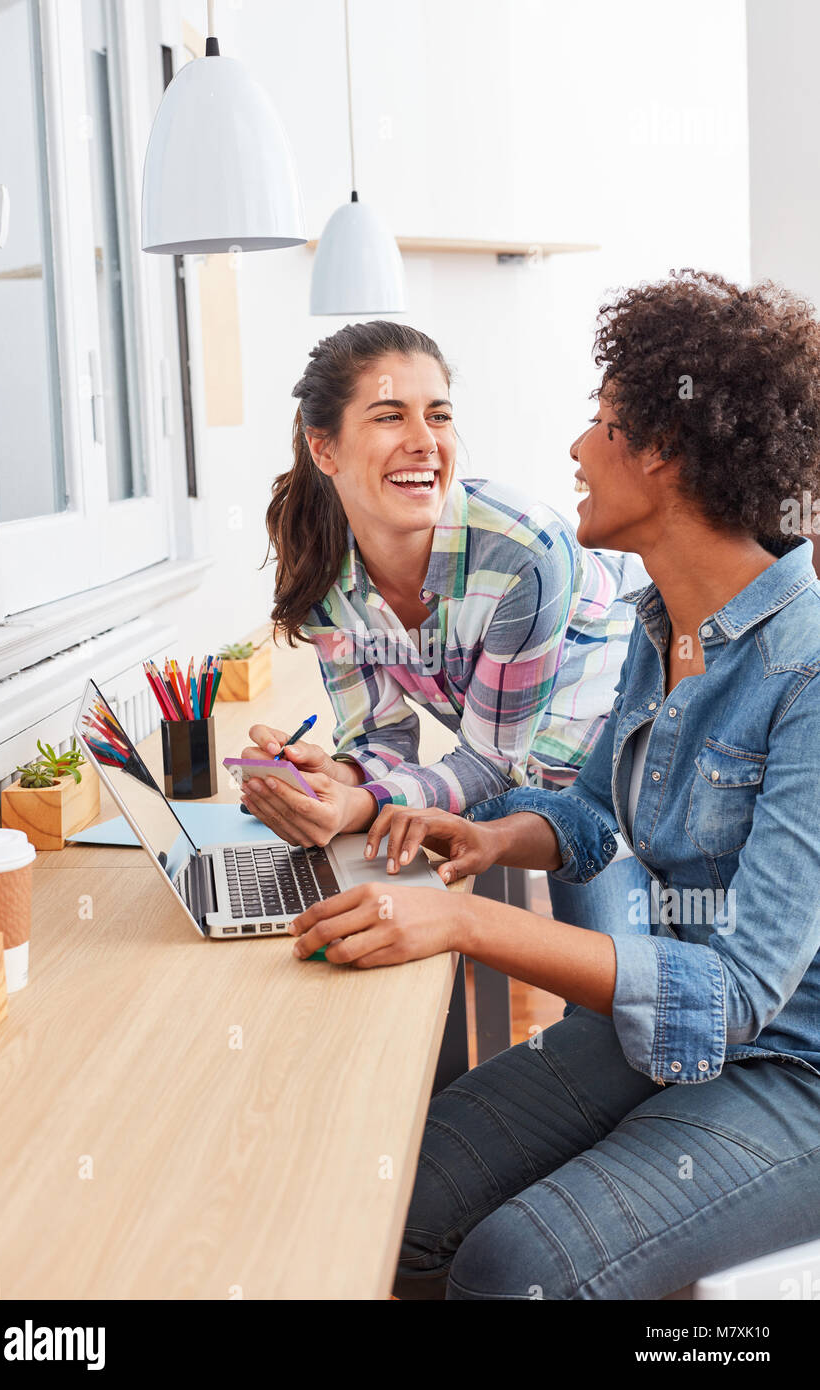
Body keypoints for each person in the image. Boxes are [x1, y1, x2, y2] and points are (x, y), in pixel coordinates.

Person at [287, 271, 820, 1299]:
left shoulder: (805, 670)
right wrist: (494, 837)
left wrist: (463, 926)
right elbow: (586, 813)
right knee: (386, 1186)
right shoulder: (657, 625)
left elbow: (739, 996)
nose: (575, 450)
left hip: (787, 1068)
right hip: (663, 1025)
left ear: (663, 455)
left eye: (602, 424)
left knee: (514, 1265)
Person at [241, 319, 649, 937]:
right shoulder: (325, 572)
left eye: (438, 415)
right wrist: (327, 779)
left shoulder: (520, 551)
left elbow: (490, 763)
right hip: (520, 779)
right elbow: (381, 740)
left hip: (619, 763)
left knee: (623, 1001)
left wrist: (359, 806)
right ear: (324, 448)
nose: (424, 441)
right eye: (389, 416)